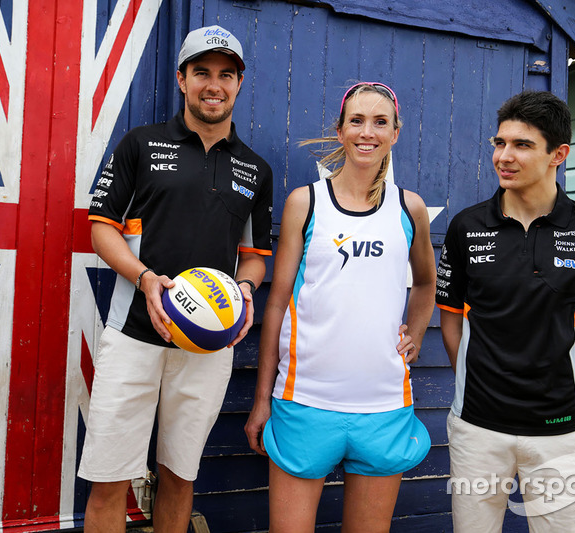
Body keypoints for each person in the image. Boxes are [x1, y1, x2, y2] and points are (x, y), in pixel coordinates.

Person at [79, 25, 273, 533]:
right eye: (202, 73)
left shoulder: (255, 169)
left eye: (226, 75)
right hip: (134, 336)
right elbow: (102, 231)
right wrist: (144, 277)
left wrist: (246, 290)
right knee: (109, 482)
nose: (215, 85)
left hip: (209, 346)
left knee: (180, 476)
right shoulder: (141, 144)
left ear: (239, 83)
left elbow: (254, 258)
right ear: (182, 79)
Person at [244, 82, 436, 533]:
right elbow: (276, 305)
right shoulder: (305, 203)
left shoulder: (410, 209)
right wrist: (260, 400)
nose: (367, 132)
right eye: (357, 120)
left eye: (380, 122)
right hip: (304, 401)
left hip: (384, 405)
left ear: (395, 132)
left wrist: (418, 333)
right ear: (340, 130)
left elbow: (426, 283)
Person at [436, 90, 575, 532]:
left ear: (558, 154)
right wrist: (480, 382)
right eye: (499, 143)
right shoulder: (466, 226)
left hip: (560, 433)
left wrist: (559, 395)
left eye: (522, 145)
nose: (505, 156)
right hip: (477, 428)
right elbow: (450, 321)